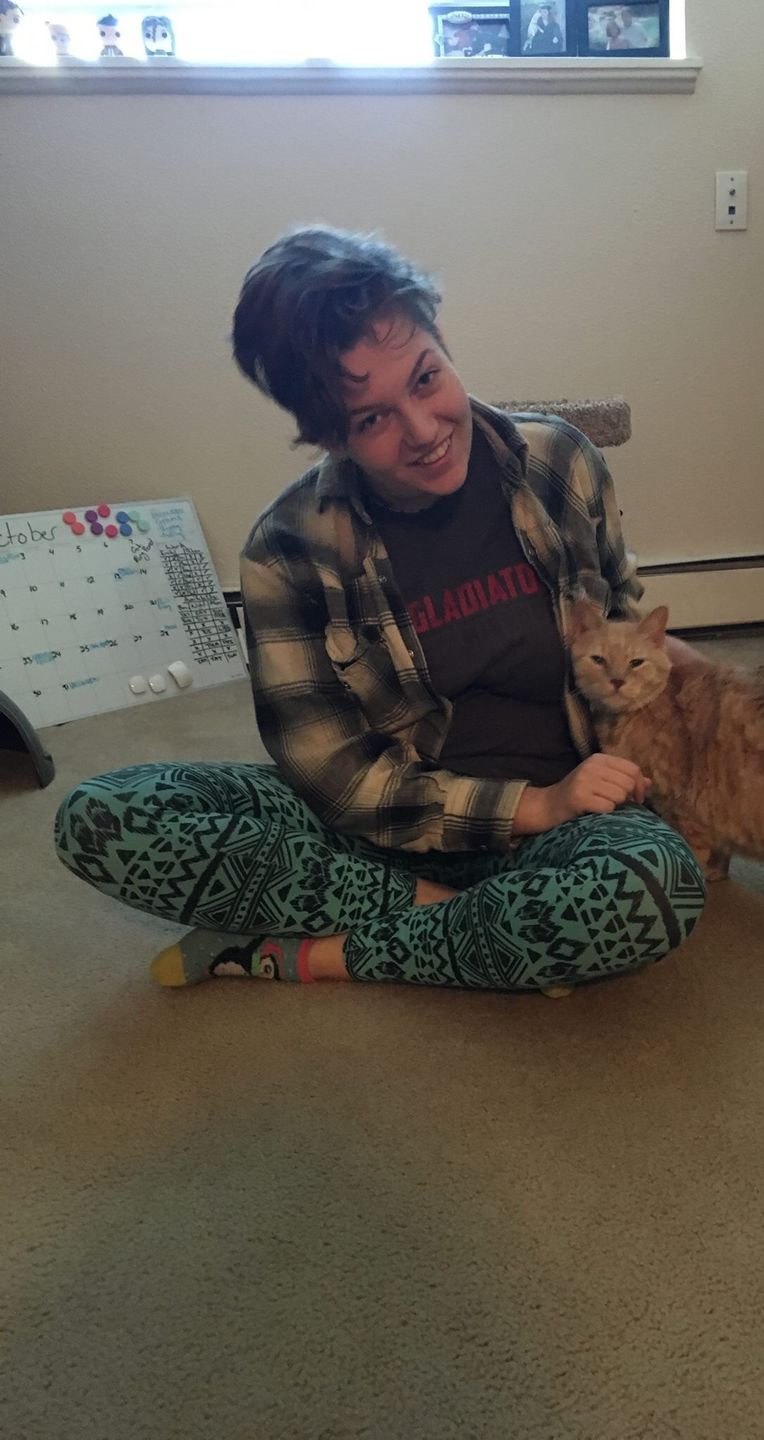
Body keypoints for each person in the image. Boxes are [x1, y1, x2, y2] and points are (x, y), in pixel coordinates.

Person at [53, 226, 707, 993]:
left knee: (657, 885)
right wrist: (530, 806)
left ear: (443, 342)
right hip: (378, 834)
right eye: (372, 419)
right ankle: (466, 925)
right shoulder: (286, 550)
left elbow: (629, 633)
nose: (424, 432)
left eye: (426, 379)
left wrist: (725, 721)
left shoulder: (560, 464)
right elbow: (338, 779)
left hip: (568, 822)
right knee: (102, 818)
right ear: (328, 435)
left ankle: (302, 952)